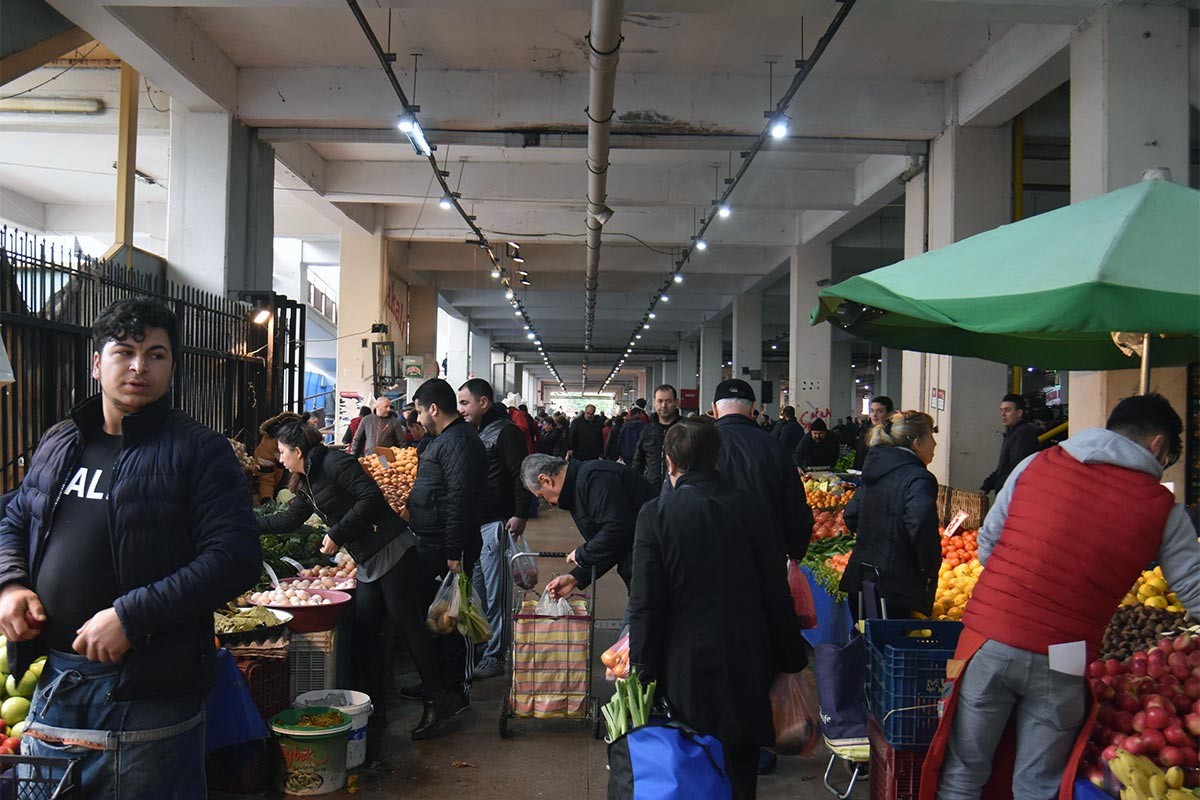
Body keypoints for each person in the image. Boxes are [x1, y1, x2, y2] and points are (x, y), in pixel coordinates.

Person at [0, 297, 261, 798]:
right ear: (97, 363)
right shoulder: (61, 440)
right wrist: (11, 583)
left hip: (148, 695)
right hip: (57, 680)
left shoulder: (198, 451)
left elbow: (234, 557)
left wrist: (131, 616)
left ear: (172, 366)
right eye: (124, 351)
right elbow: (16, 515)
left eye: (157, 354)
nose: (140, 366)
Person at [934, 394, 1200, 799]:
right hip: (1065, 652)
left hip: (988, 637)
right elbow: (1194, 586)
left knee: (964, 770)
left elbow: (988, 544)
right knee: (1038, 783)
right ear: (1158, 445)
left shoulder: (1036, 463)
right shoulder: (1163, 509)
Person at [628, 418, 807, 799]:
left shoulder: (655, 515)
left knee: (689, 758)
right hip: (748, 656)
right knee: (741, 761)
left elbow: (646, 604)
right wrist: (791, 660)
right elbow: (775, 590)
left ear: (670, 462)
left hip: (683, 664)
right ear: (717, 458)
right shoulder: (753, 508)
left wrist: (641, 673)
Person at [258, 422, 445, 742]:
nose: (279, 458)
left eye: (282, 451)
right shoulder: (306, 482)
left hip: (391, 548)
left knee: (407, 623)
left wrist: (336, 533)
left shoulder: (335, 463)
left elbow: (370, 497)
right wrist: (245, 523)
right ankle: (374, 709)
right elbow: (288, 520)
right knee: (365, 630)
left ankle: (437, 699)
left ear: (297, 451)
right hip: (367, 559)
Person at [407, 379, 487, 725]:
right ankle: (435, 683)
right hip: (432, 542)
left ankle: (455, 693)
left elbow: (460, 499)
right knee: (435, 618)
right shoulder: (446, 441)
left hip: (448, 547)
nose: (419, 418)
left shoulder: (460, 443)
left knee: (454, 621)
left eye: (421, 411)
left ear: (434, 409)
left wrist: (454, 549)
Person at [457, 379, 532, 680]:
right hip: (475, 525)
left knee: (497, 592)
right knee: (477, 592)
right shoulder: (472, 432)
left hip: (497, 523)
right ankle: (481, 643)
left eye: (465, 403)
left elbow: (521, 474)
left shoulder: (506, 432)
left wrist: (520, 513)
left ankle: (496, 655)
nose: (460, 409)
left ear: (483, 403)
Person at [839, 411, 940, 619]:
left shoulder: (875, 469)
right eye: (931, 435)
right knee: (890, 647)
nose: (935, 444)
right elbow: (920, 524)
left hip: (861, 579)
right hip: (895, 589)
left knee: (866, 645)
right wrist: (929, 568)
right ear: (917, 443)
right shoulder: (918, 478)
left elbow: (851, 515)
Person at [520, 453, 657, 600]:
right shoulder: (579, 487)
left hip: (654, 565)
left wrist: (583, 554)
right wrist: (576, 577)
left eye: (542, 496)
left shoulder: (593, 480)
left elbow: (618, 530)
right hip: (641, 566)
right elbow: (609, 545)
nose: (547, 502)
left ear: (546, 480)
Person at [711, 380, 813, 563]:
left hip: (711, 559)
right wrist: (795, 553)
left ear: (714, 409)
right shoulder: (774, 447)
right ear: (753, 410)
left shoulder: (700, 445)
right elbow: (795, 508)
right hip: (766, 559)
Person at [979, 393, 1040, 495]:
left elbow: (1016, 468)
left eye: (1007, 410)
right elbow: (1004, 467)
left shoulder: (1023, 434)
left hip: (1014, 494)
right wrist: (987, 486)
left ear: (1019, 413)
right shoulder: (1011, 433)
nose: (1002, 414)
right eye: (1001, 410)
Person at [633, 384, 681, 487]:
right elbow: (638, 462)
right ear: (654, 403)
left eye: (669, 401)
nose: (664, 405)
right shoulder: (647, 431)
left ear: (677, 402)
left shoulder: (685, 429)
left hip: (679, 490)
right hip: (651, 489)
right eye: (660, 401)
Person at [254, 410, 304, 503]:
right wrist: (266, 499)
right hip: (280, 480)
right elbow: (265, 477)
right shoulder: (267, 447)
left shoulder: (305, 439)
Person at [853, 395, 895, 470]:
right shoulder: (865, 431)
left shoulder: (892, 434)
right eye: (872, 411)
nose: (874, 415)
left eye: (879, 411)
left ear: (889, 414)